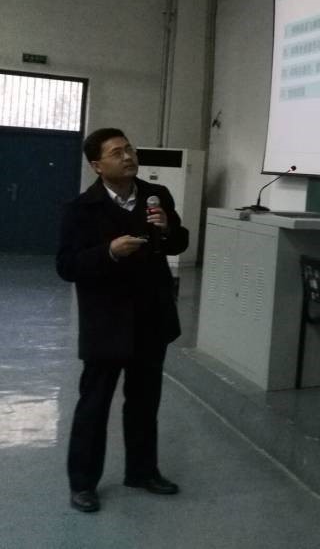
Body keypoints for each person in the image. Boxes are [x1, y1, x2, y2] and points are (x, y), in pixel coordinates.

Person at [56, 128, 189, 513]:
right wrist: (110, 252)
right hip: (106, 322)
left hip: (151, 317)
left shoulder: (156, 195)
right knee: (94, 404)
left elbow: (178, 242)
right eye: (117, 152)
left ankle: (142, 472)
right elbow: (66, 266)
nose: (128, 156)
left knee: (145, 402)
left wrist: (167, 229)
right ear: (97, 165)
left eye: (129, 149)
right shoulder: (81, 209)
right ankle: (83, 484)